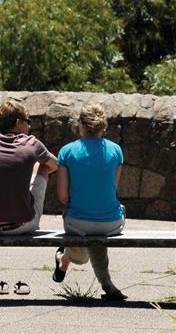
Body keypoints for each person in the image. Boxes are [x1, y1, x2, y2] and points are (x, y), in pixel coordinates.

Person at [53, 103, 127, 301]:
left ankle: (64, 259)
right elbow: (112, 189)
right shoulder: (116, 150)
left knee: (82, 242)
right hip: (111, 224)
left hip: (78, 223)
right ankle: (106, 283)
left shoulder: (67, 152)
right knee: (98, 225)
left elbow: (63, 197)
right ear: (104, 126)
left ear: (81, 125)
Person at [0, 99, 58, 235]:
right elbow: (55, 164)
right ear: (18, 122)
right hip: (23, 225)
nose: (30, 126)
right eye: (28, 121)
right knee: (43, 166)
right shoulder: (32, 143)